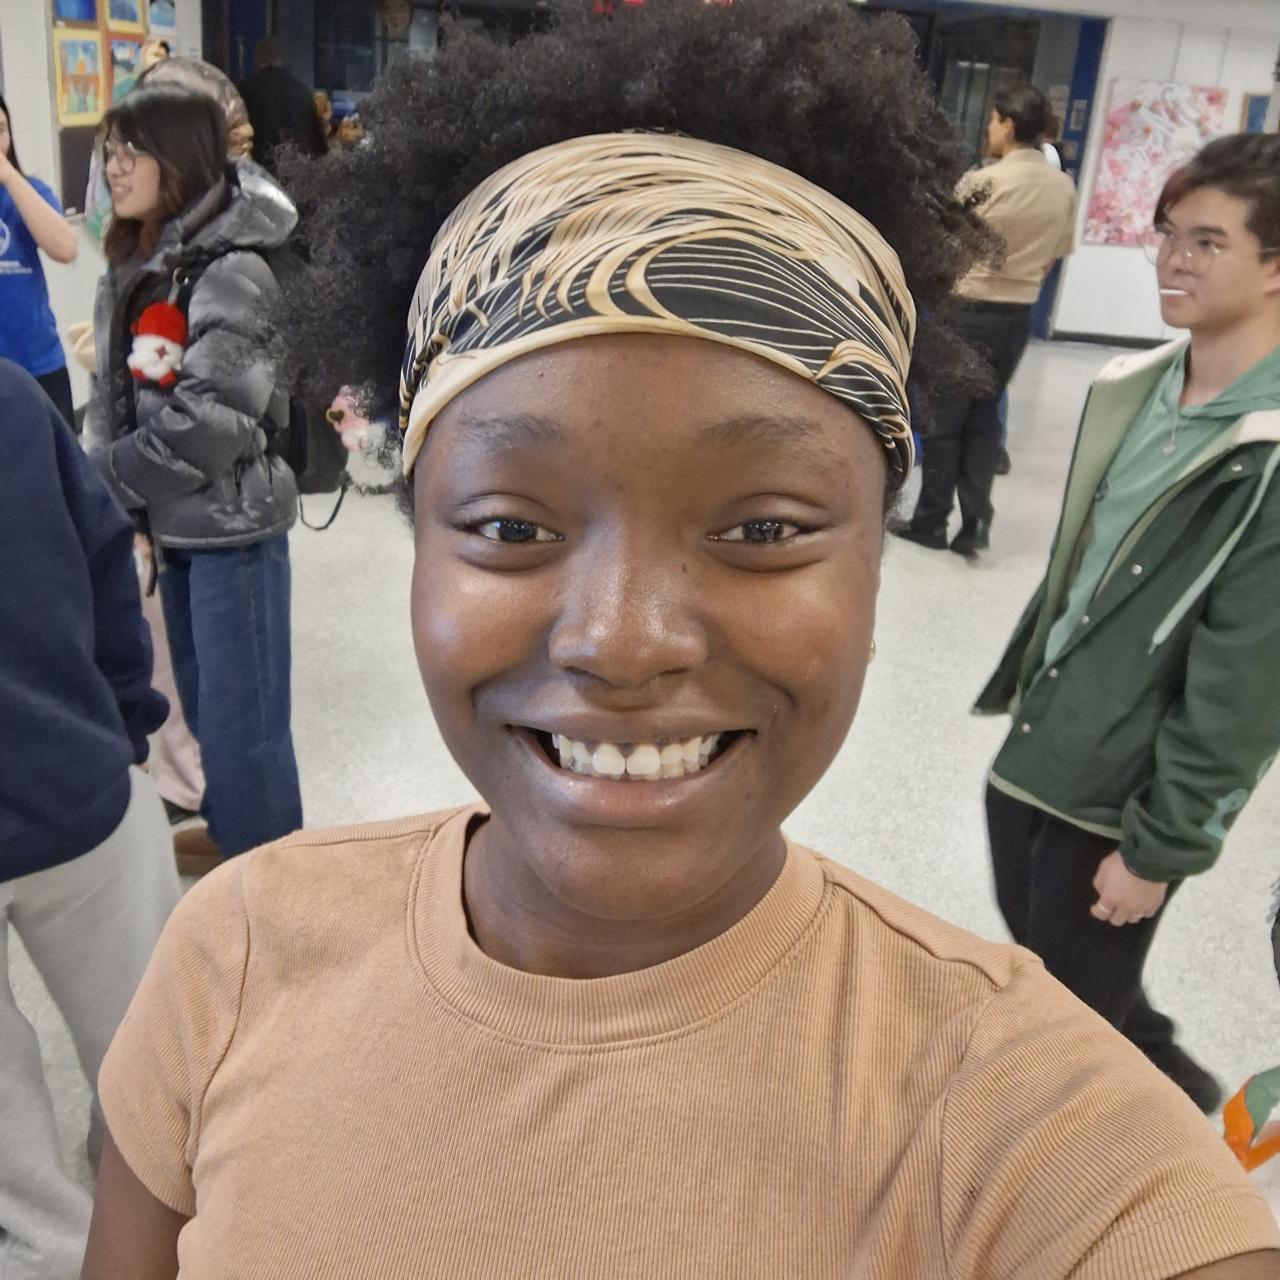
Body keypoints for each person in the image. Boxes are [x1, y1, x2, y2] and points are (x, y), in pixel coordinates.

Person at [82, 6, 1279, 1277]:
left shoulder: (1030, 1129)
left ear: (876, 562)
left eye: (762, 527)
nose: (620, 641)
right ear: (417, 536)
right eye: (509, 524)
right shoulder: (236, 950)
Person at [976, 132, 1280, 1117]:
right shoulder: (1135, 388)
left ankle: (1090, 1163)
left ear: (1275, 268)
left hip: (1121, 792)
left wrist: (1161, 847)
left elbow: (1246, 685)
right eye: (1165, 234)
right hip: (1041, 742)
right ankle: (1179, 1089)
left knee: (1062, 1034)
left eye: (1207, 242)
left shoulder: (1266, 450)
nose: (1171, 260)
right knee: (1055, 964)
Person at [82, 84, 303, 863]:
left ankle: (268, 877)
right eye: (109, 151)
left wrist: (98, 482)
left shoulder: (233, 272)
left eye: (130, 150)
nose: (113, 167)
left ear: (179, 158)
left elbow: (208, 427)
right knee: (212, 713)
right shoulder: (154, 259)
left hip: (232, 532)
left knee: (248, 728)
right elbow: (125, 394)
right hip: (180, 526)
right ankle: (240, 836)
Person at [0, 358, 180, 1280]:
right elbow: (104, 553)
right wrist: (123, 722)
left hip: (75, 779)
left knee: (14, 1155)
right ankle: (142, 1226)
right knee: (152, 1051)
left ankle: (55, 1250)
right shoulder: (9, 395)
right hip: (75, 777)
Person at [893, 83, 1076, 556]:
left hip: (967, 313)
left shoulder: (983, 183)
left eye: (994, 121)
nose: (989, 130)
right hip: (1016, 318)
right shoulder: (1062, 186)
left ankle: (931, 523)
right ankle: (975, 522)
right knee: (985, 418)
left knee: (945, 422)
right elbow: (1053, 258)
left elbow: (946, 248)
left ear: (1008, 126)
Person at [0, 93, 79, 427]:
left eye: (1, 130)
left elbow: (65, 249)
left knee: (55, 457)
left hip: (38, 364)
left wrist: (10, 177)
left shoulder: (29, 191)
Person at [238, 35, 327, 174]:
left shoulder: (246, 89)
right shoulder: (301, 89)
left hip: (261, 169)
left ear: (257, 58)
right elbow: (317, 138)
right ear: (281, 58)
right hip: (299, 168)